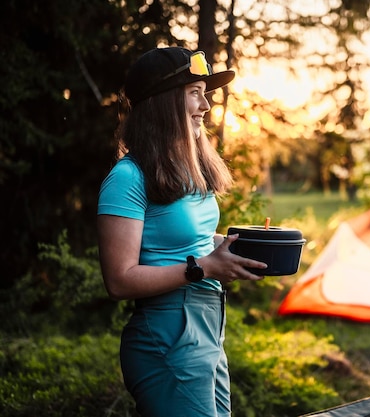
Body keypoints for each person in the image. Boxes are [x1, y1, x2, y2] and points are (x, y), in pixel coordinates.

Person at [97, 46, 267, 417]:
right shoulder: (127, 179)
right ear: (163, 102)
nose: (206, 105)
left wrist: (234, 249)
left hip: (207, 331)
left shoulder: (184, 173)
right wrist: (204, 267)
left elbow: (190, 242)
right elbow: (119, 281)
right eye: (195, 93)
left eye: (205, 93)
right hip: (167, 336)